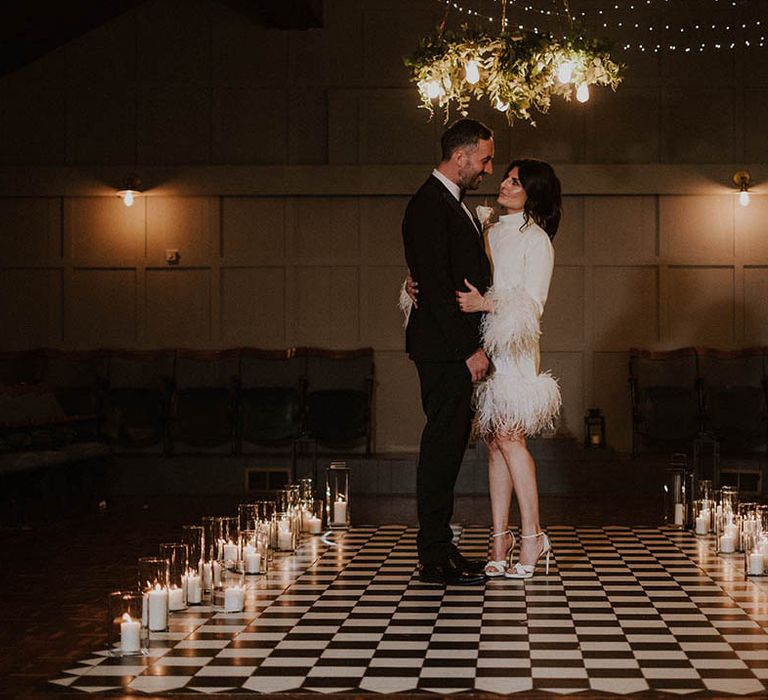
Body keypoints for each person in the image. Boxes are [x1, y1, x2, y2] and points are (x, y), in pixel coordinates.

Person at [455, 158, 562, 579]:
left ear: (532, 193)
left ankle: (533, 535)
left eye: (515, 182)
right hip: (485, 345)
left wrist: (485, 304)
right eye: (506, 177)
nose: (504, 184)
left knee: (511, 437)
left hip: (514, 348)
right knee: (494, 443)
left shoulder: (536, 241)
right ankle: (499, 539)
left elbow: (532, 306)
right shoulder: (489, 230)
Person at [401, 118, 494, 586]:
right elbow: (436, 287)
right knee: (441, 449)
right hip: (444, 351)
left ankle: (441, 548)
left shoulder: (448, 203)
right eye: (484, 159)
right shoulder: (428, 204)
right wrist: (469, 350)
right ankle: (433, 556)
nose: (487, 169)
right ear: (460, 157)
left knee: (450, 447)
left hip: (446, 347)